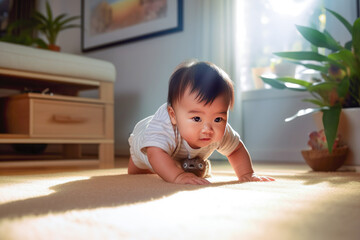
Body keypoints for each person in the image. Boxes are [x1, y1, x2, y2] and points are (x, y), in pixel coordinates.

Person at [128, 60, 275, 185]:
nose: (208, 129)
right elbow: (154, 154)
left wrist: (247, 173)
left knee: (182, 167)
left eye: (218, 119)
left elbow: (236, 150)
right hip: (144, 139)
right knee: (139, 168)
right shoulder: (164, 127)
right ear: (173, 115)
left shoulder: (221, 131)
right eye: (197, 119)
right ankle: (136, 161)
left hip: (178, 155)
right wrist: (178, 176)